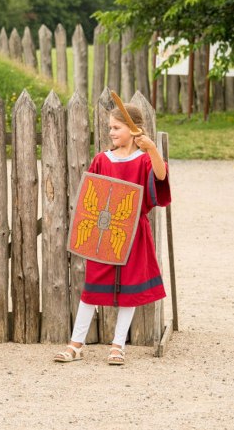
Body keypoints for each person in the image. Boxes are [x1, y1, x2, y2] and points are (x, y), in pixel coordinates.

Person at [54, 103, 169, 365]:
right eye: (109, 128)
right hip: (103, 235)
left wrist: (151, 148)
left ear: (132, 129)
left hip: (133, 234)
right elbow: (90, 197)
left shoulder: (144, 160)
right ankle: (75, 344)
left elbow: (160, 177)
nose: (111, 132)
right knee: (92, 288)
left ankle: (118, 345)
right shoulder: (101, 160)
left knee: (129, 288)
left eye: (116, 128)